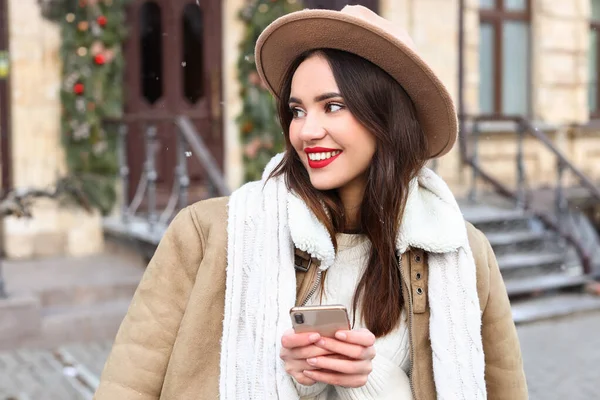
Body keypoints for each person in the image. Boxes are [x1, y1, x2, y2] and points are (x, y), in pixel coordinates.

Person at [94, 5, 527, 400]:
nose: (306, 131)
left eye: (332, 106)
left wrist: (373, 379)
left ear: (389, 119)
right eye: (298, 110)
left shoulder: (460, 253)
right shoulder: (207, 236)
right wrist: (297, 378)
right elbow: (126, 387)